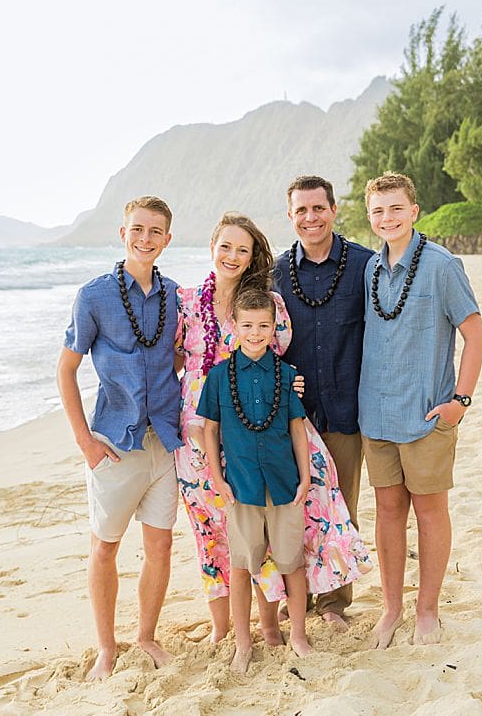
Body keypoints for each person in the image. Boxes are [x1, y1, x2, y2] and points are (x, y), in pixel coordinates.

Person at [174, 211, 369, 646]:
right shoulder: (184, 301)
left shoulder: (267, 305)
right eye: (225, 246)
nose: (232, 255)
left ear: (252, 256)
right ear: (211, 247)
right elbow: (172, 363)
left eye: (242, 249)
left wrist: (293, 381)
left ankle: (269, 624)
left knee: (264, 522)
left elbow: (276, 364)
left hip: (260, 431)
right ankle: (222, 627)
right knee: (212, 530)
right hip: (198, 436)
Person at [358, 173, 482, 649]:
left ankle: (427, 610)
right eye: (378, 211)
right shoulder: (371, 269)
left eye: (395, 208)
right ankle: (392, 608)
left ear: (414, 210)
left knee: (431, 511)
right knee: (388, 511)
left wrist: (461, 401)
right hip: (376, 412)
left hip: (429, 412)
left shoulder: (441, 265)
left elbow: (475, 335)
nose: (387, 218)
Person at [56, 196, 181, 681]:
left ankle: (146, 636)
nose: (145, 238)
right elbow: (66, 370)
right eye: (137, 229)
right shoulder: (94, 296)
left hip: (164, 444)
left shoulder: (175, 296)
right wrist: (85, 442)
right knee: (105, 547)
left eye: (155, 232)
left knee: (161, 547)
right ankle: (107, 648)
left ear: (167, 240)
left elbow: (177, 358)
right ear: (122, 232)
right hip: (114, 445)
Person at [272, 175, 374, 630]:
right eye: (301, 211)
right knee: (289, 507)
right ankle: (290, 595)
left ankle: (333, 603)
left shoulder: (366, 267)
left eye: (318, 208)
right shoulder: (273, 272)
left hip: (346, 409)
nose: (310, 218)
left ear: (333, 210)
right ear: (290, 216)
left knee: (341, 507)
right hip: (289, 415)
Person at [198, 288, 313, 672]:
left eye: (264, 325)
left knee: (291, 563)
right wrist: (218, 477)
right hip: (242, 487)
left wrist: (305, 476)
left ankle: (297, 634)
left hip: (284, 484)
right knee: (242, 566)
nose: (255, 333)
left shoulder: (287, 375)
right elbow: (209, 430)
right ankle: (243, 644)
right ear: (234, 327)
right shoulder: (218, 377)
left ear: (273, 327)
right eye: (247, 325)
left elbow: (297, 429)